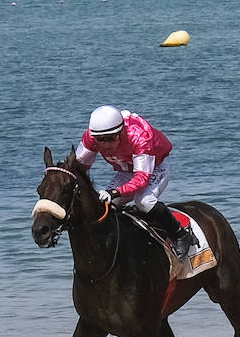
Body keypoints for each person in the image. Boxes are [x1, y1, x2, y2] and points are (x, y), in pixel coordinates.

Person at [75, 105, 195, 258]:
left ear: (121, 132)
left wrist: (115, 192)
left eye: (111, 138)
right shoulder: (91, 137)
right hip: (126, 170)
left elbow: (141, 180)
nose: (106, 145)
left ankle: (180, 235)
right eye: (100, 140)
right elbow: (78, 167)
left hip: (154, 169)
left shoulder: (139, 136)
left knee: (144, 202)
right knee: (103, 207)